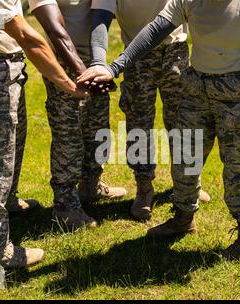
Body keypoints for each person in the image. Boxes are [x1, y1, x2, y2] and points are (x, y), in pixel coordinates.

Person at [78, 0, 240, 261]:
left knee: (238, 168)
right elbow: (156, 30)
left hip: (237, 92)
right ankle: (183, 219)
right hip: (196, 86)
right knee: (185, 157)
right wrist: (113, 67)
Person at [0, 0, 88, 268]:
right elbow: (26, 36)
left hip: (2, 65)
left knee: (13, 144)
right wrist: (68, 84)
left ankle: (9, 201)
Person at [89, 0, 211, 221]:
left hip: (176, 52)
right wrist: (98, 60)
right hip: (137, 56)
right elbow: (100, 17)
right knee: (139, 123)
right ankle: (144, 188)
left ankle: (187, 185)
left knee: (183, 120)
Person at [27, 0, 127, 230]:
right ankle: (64, 205)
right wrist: (83, 73)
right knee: (68, 133)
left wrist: (97, 65)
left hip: (94, 60)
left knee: (98, 129)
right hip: (63, 62)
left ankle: (90, 186)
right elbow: (55, 30)